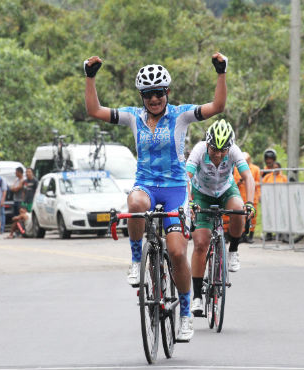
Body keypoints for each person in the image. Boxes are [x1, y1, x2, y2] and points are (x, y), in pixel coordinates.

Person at [84, 52, 228, 341]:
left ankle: (186, 313)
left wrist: (221, 72)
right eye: (148, 94)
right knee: (134, 202)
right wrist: (89, 77)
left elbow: (217, 106)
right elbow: (95, 111)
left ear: (167, 92)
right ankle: (137, 261)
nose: (154, 99)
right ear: (141, 96)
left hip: (175, 190)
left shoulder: (181, 114)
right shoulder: (133, 117)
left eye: (158, 93)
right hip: (146, 186)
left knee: (177, 252)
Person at [186, 120, 255, 316]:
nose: (217, 154)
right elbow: (187, 177)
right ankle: (197, 296)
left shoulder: (234, 151)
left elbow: (248, 177)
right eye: (214, 149)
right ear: (207, 143)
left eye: (223, 150)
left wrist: (250, 203)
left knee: (239, 209)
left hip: (226, 190)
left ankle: (233, 249)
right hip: (202, 194)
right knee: (200, 243)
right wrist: (189, 201)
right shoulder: (199, 150)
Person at [233, 152, 260, 243]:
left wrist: (249, 182)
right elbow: (234, 182)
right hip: (240, 196)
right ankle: (241, 236)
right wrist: (240, 181)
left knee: (252, 216)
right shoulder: (236, 169)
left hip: (252, 197)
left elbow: (258, 182)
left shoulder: (256, 169)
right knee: (241, 216)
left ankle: (250, 236)